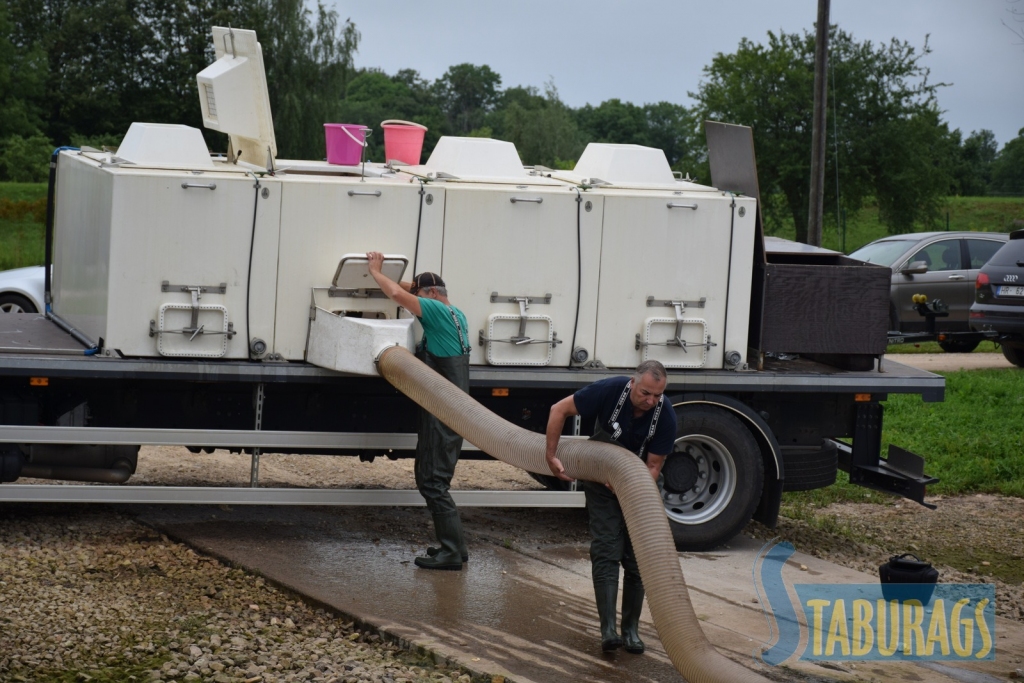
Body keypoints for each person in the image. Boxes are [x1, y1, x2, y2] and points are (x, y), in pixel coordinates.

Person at [544, 360, 677, 654]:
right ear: (633, 383)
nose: (651, 400)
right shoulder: (609, 390)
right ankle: (608, 630)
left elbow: (653, 466)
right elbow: (559, 409)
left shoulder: (665, 415)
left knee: (637, 557)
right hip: (600, 481)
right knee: (606, 548)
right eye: (645, 393)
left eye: (657, 395)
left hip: (641, 484)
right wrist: (551, 455)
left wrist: (626, 483)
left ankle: (631, 630)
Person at [366, 252, 472, 571]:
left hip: (444, 413)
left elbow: (398, 295)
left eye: (420, 296)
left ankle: (452, 551)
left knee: (432, 481)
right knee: (433, 478)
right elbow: (408, 289)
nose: (416, 303)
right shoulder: (456, 313)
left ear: (433, 295)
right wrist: (382, 273)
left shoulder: (435, 309)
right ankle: (455, 547)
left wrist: (373, 271)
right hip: (449, 409)